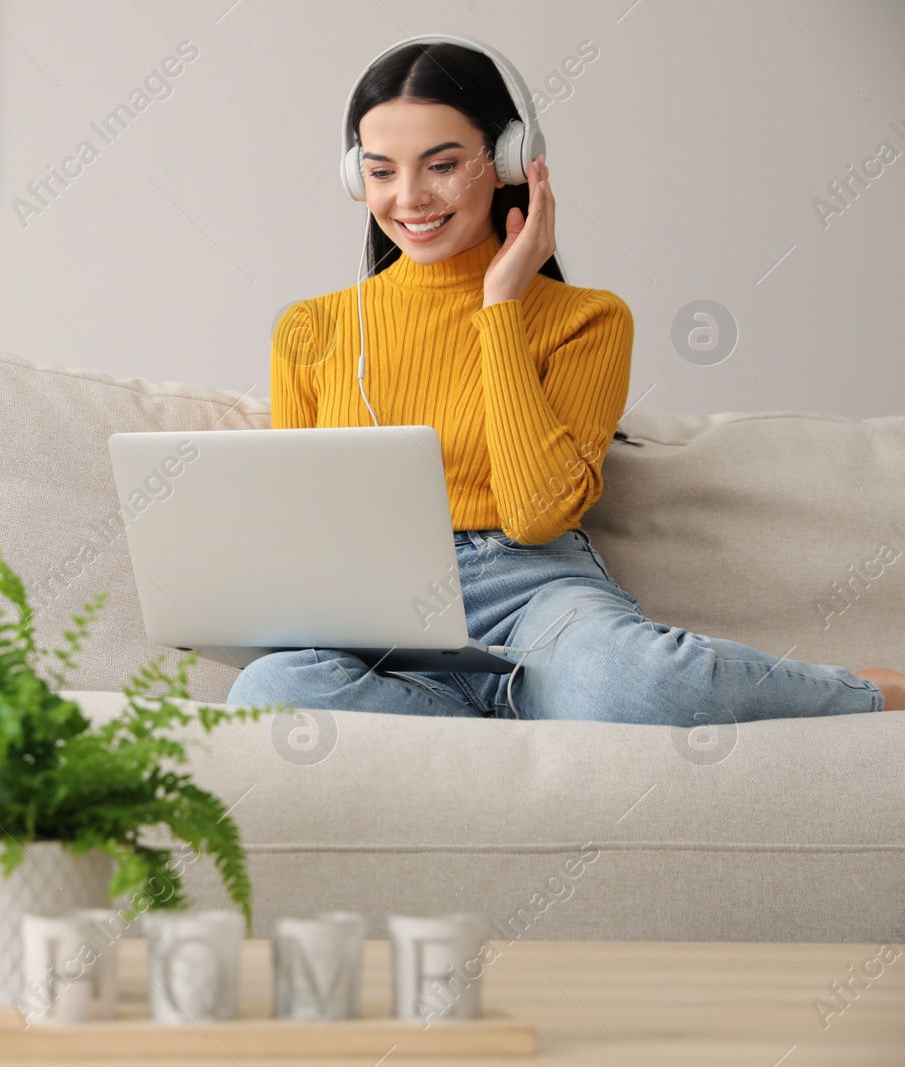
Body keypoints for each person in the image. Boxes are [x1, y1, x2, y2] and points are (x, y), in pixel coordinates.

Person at [225, 39, 904, 722]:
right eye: (380, 171)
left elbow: (535, 513)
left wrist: (500, 307)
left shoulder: (588, 320)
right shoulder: (312, 330)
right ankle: (516, 713)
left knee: (628, 680)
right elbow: (307, 533)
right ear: (355, 177)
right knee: (267, 691)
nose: (409, 197)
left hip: (534, 592)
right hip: (381, 617)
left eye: (444, 165)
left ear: (510, 160)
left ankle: (865, 690)